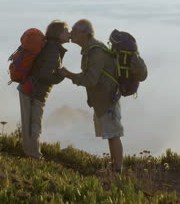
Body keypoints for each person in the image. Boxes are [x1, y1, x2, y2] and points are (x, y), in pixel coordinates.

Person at [60, 19, 124, 172]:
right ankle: (114, 167)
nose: (71, 34)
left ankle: (118, 170)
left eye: (74, 32)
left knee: (114, 135)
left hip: (108, 100)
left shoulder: (96, 52)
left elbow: (91, 79)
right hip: (102, 99)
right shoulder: (90, 50)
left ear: (85, 34)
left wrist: (69, 75)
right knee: (110, 134)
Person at [18, 20, 70, 159]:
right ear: (58, 33)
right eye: (66, 31)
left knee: (29, 124)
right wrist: (61, 75)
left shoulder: (50, 46)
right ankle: (34, 156)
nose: (69, 33)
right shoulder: (53, 50)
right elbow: (44, 75)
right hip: (34, 92)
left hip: (29, 89)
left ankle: (30, 153)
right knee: (34, 125)